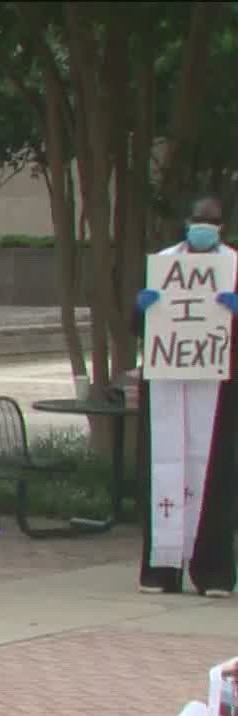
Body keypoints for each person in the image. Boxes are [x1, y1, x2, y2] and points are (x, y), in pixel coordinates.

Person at [132, 196, 236, 597]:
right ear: (187, 224)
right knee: (164, 472)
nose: (203, 228)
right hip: (167, 384)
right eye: (198, 221)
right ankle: (162, 570)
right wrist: (142, 309)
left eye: (211, 222)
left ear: (221, 228)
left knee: (213, 477)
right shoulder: (165, 264)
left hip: (218, 390)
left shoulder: (233, 266)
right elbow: (139, 326)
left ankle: (212, 571)